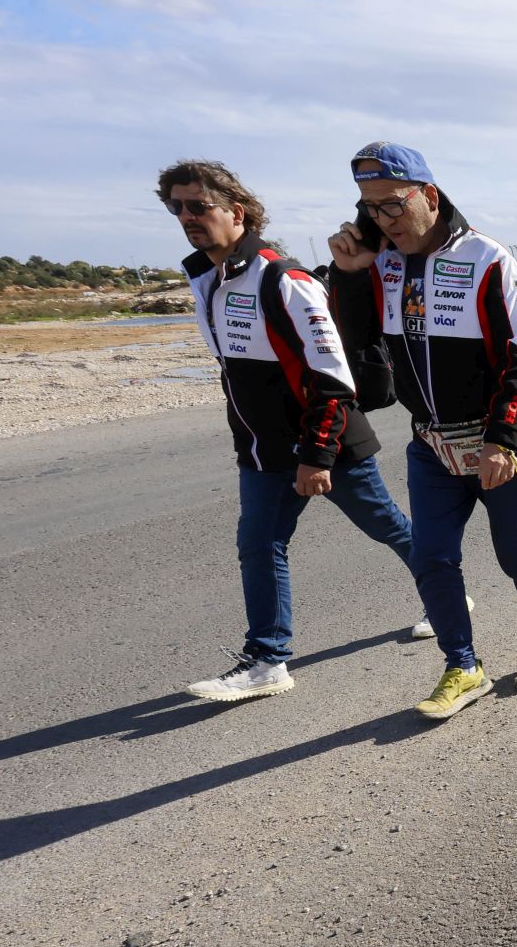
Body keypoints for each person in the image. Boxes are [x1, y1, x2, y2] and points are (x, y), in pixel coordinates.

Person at [162, 159, 423, 703]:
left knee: (387, 526)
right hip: (263, 449)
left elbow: (332, 377)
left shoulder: (284, 279)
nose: (187, 216)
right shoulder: (209, 279)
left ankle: (446, 596)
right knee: (258, 545)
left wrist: (317, 455)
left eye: (198, 206)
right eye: (177, 207)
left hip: (322, 444)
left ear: (236, 212)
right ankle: (267, 660)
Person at [328, 142, 517, 721]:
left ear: (428, 196)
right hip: (431, 445)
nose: (381, 220)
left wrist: (502, 440)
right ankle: (463, 665)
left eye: (391, 206)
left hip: (495, 442)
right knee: (433, 559)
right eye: (368, 208)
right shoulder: (382, 264)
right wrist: (350, 274)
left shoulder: (488, 258)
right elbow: (349, 343)